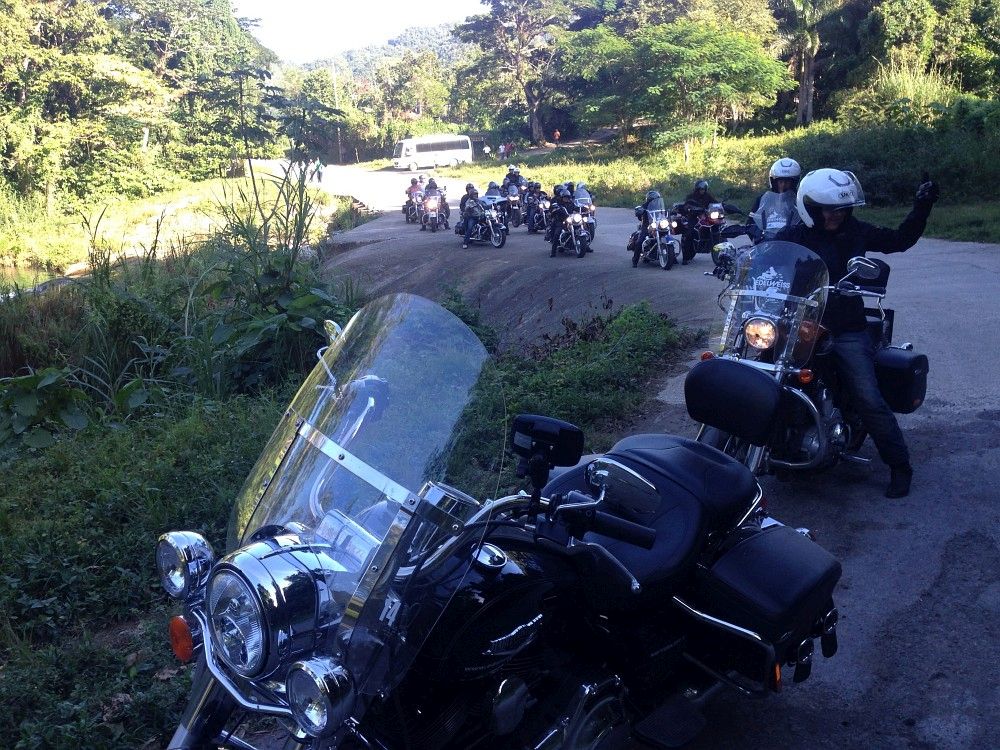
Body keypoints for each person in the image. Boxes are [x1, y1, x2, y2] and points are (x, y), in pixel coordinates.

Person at [775, 168, 940, 498]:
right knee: (765, 374)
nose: (834, 215)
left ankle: (899, 466)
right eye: (826, 209)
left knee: (867, 397)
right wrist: (739, 261)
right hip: (798, 324)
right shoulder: (793, 234)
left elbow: (900, 240)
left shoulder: (857, 231)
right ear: (809, 207)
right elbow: (767, 255)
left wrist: (922, 206)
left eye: (841, 209)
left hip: (845, 327)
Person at [749, 158, 801, 240]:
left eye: (787, 182)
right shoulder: (763, 200)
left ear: (794, 183)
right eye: (780, 182)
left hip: (791, 244)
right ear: (774, 182)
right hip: (766, 242)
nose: (783, 185)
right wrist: (756, 233)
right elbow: (751, 222)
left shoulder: (800, 202)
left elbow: (806, 224)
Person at [629, 190, 666, 267]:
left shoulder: (660, 206)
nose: (655, 201)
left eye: (657, 199)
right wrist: (640, 212)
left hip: (659, 224)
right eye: (653, 200)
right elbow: (639, 215)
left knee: (666, 234)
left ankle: (672, 257)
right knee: (640, 241)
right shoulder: (644, 206)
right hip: (647, 226)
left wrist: (671, 211)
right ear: (649, 200)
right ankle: (635, 260)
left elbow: (665, 211)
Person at [549, 188, 576, 257]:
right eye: (565, 197)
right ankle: (553, 251)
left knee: (581, 227)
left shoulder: (571, 203)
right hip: (561, 220)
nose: (566, 199)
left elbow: (576, 207)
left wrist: (584, 208)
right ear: (561, 197)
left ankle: (585, 246)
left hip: (570, 220)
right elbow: (552, 209)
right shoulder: (558, 204)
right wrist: (557, 209)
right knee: (557, 233)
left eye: (567, 197)